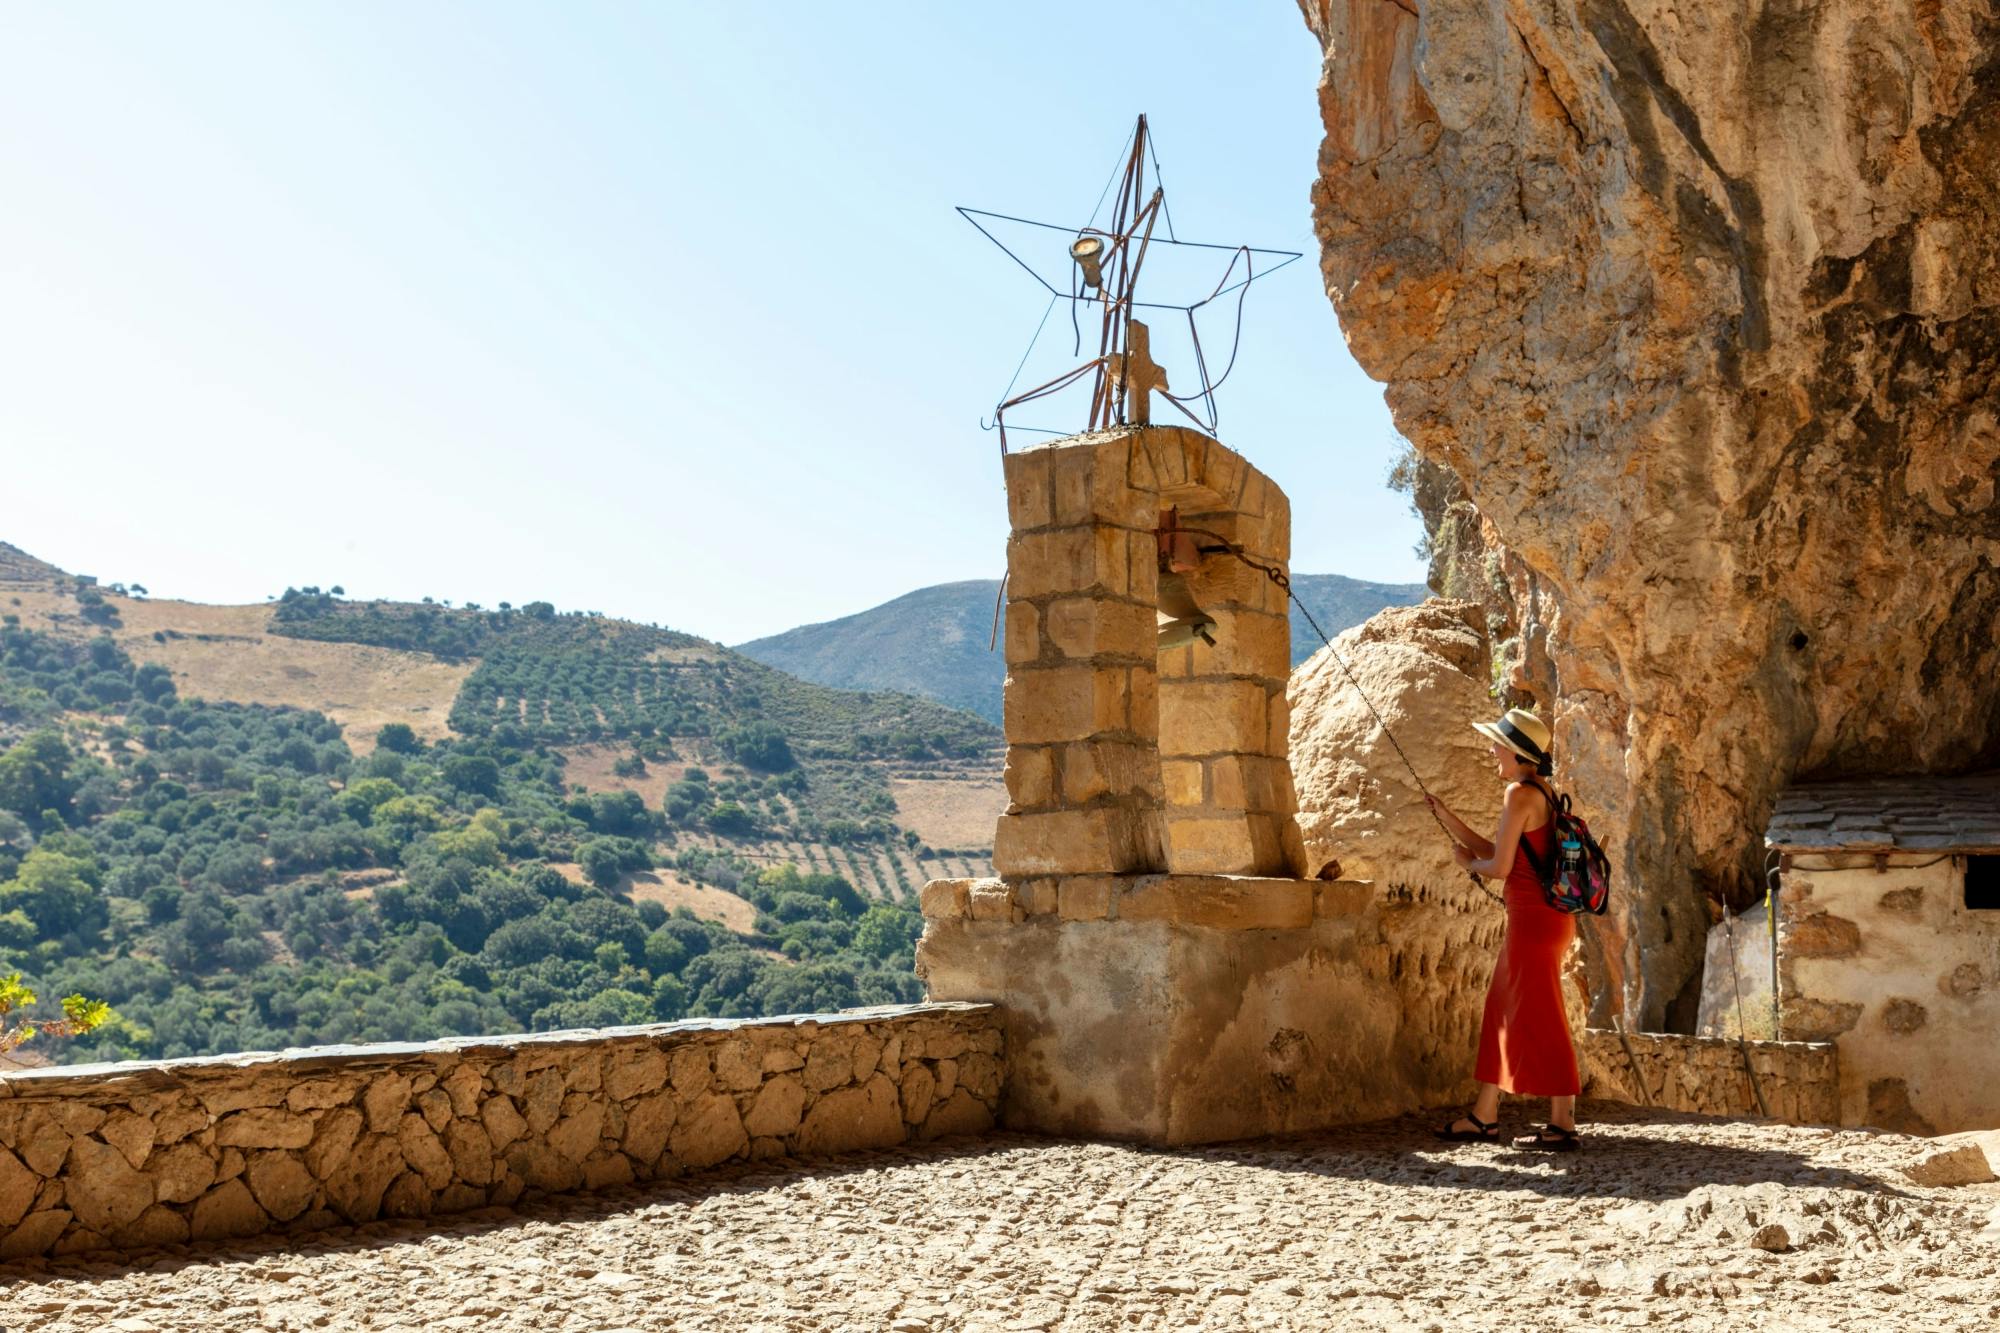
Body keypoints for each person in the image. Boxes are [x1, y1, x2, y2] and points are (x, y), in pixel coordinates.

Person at [1426, 708, 1582, 1152]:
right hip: (1549, 920)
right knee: (1501, 1010)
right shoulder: (1542, 792)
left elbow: (1498, 866)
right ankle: (1484, 1116)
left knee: (1546, 1018)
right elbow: (1505, 850)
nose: (1493, 750)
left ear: (1516, 752)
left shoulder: (1518, 794)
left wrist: (1467, 864)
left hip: (1533, 925)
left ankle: (1563, 1123)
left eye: (1498, 744)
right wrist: (1448, 818)